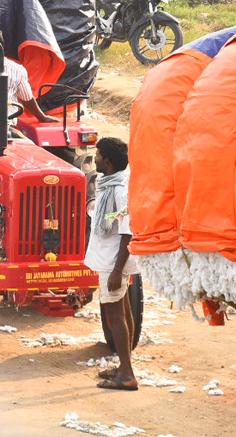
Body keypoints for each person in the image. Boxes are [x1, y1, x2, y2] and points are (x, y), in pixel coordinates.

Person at [86, 136, 142, 391]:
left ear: (107, 162)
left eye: (97, 155)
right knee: (124, 312)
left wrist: (117, 271)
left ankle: (128, 375)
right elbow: (114, 218)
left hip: (113, 263)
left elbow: (127, 231)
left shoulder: (118, 190)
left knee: (116, 316)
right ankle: (123, 368)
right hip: (111, 260)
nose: (94, 158)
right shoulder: (111, 184)